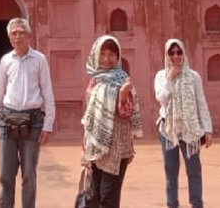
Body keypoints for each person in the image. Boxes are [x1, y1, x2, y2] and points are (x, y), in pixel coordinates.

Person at [0, 17, 56, 208]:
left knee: (29, 175)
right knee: (5, 174)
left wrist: (48, 124)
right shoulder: (6, 60)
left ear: (29, 35)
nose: (17, 36)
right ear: (9, 37)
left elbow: (47, 91)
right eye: (13, 33)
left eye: (21, 32)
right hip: (8, 119)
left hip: (33, 119)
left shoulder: (39, 60)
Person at [80, 35, 141, 208]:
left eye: (111, 54)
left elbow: (128, 113)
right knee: (93, 197)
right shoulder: (94, 80)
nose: (107, 59)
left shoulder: (123, 79)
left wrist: (122, 97)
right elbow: (89, 113)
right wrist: (85, 140)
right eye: (103, 54)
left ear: (118, 56)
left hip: (116, 148)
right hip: (95, 146)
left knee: (109, 198)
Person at [153, 38, 212, 208]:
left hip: (190, 129)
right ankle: (172, 204)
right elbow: (161, 99)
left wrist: (208, 129)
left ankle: (197, 203)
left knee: (194, 170)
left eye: (179, 52)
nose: (176, 56)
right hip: (168, 129)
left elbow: (201, 102)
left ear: (183, 53)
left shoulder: (193, 77)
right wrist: (170, 78)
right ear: (166, 55)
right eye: (171, 53)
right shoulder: (161, 76)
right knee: (171, 171)